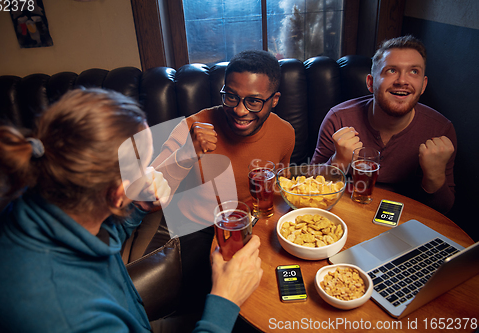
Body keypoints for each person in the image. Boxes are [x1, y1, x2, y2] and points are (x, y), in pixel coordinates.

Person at [0, 88, 263, 333]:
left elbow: (99, 232)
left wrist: (138, 205)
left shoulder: (42, 201)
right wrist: (224, 300)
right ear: (117, 193)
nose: (151, 172)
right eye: (145, 166)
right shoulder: (63, 315)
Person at [149, 50, 295, 313]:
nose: (240, 110)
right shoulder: (191, 127)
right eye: (231, 97)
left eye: (253, 102)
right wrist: (186, 154)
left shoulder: (285, 133)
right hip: (197, 227)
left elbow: (276, 192)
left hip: (252, 227)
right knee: (200, 305)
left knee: (273, 299)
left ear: (274, 100)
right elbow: (148, 198)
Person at [311, 35, 456, 213]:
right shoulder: (338, 119)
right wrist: (338, 162)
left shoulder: (441, 130)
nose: (402, 81)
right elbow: (311, 188)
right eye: (391, 70)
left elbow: (444, 211)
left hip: (408, 222)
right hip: (349, 215)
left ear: (423, 85)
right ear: (371, 83)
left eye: (414, 72)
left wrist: (435, 177)